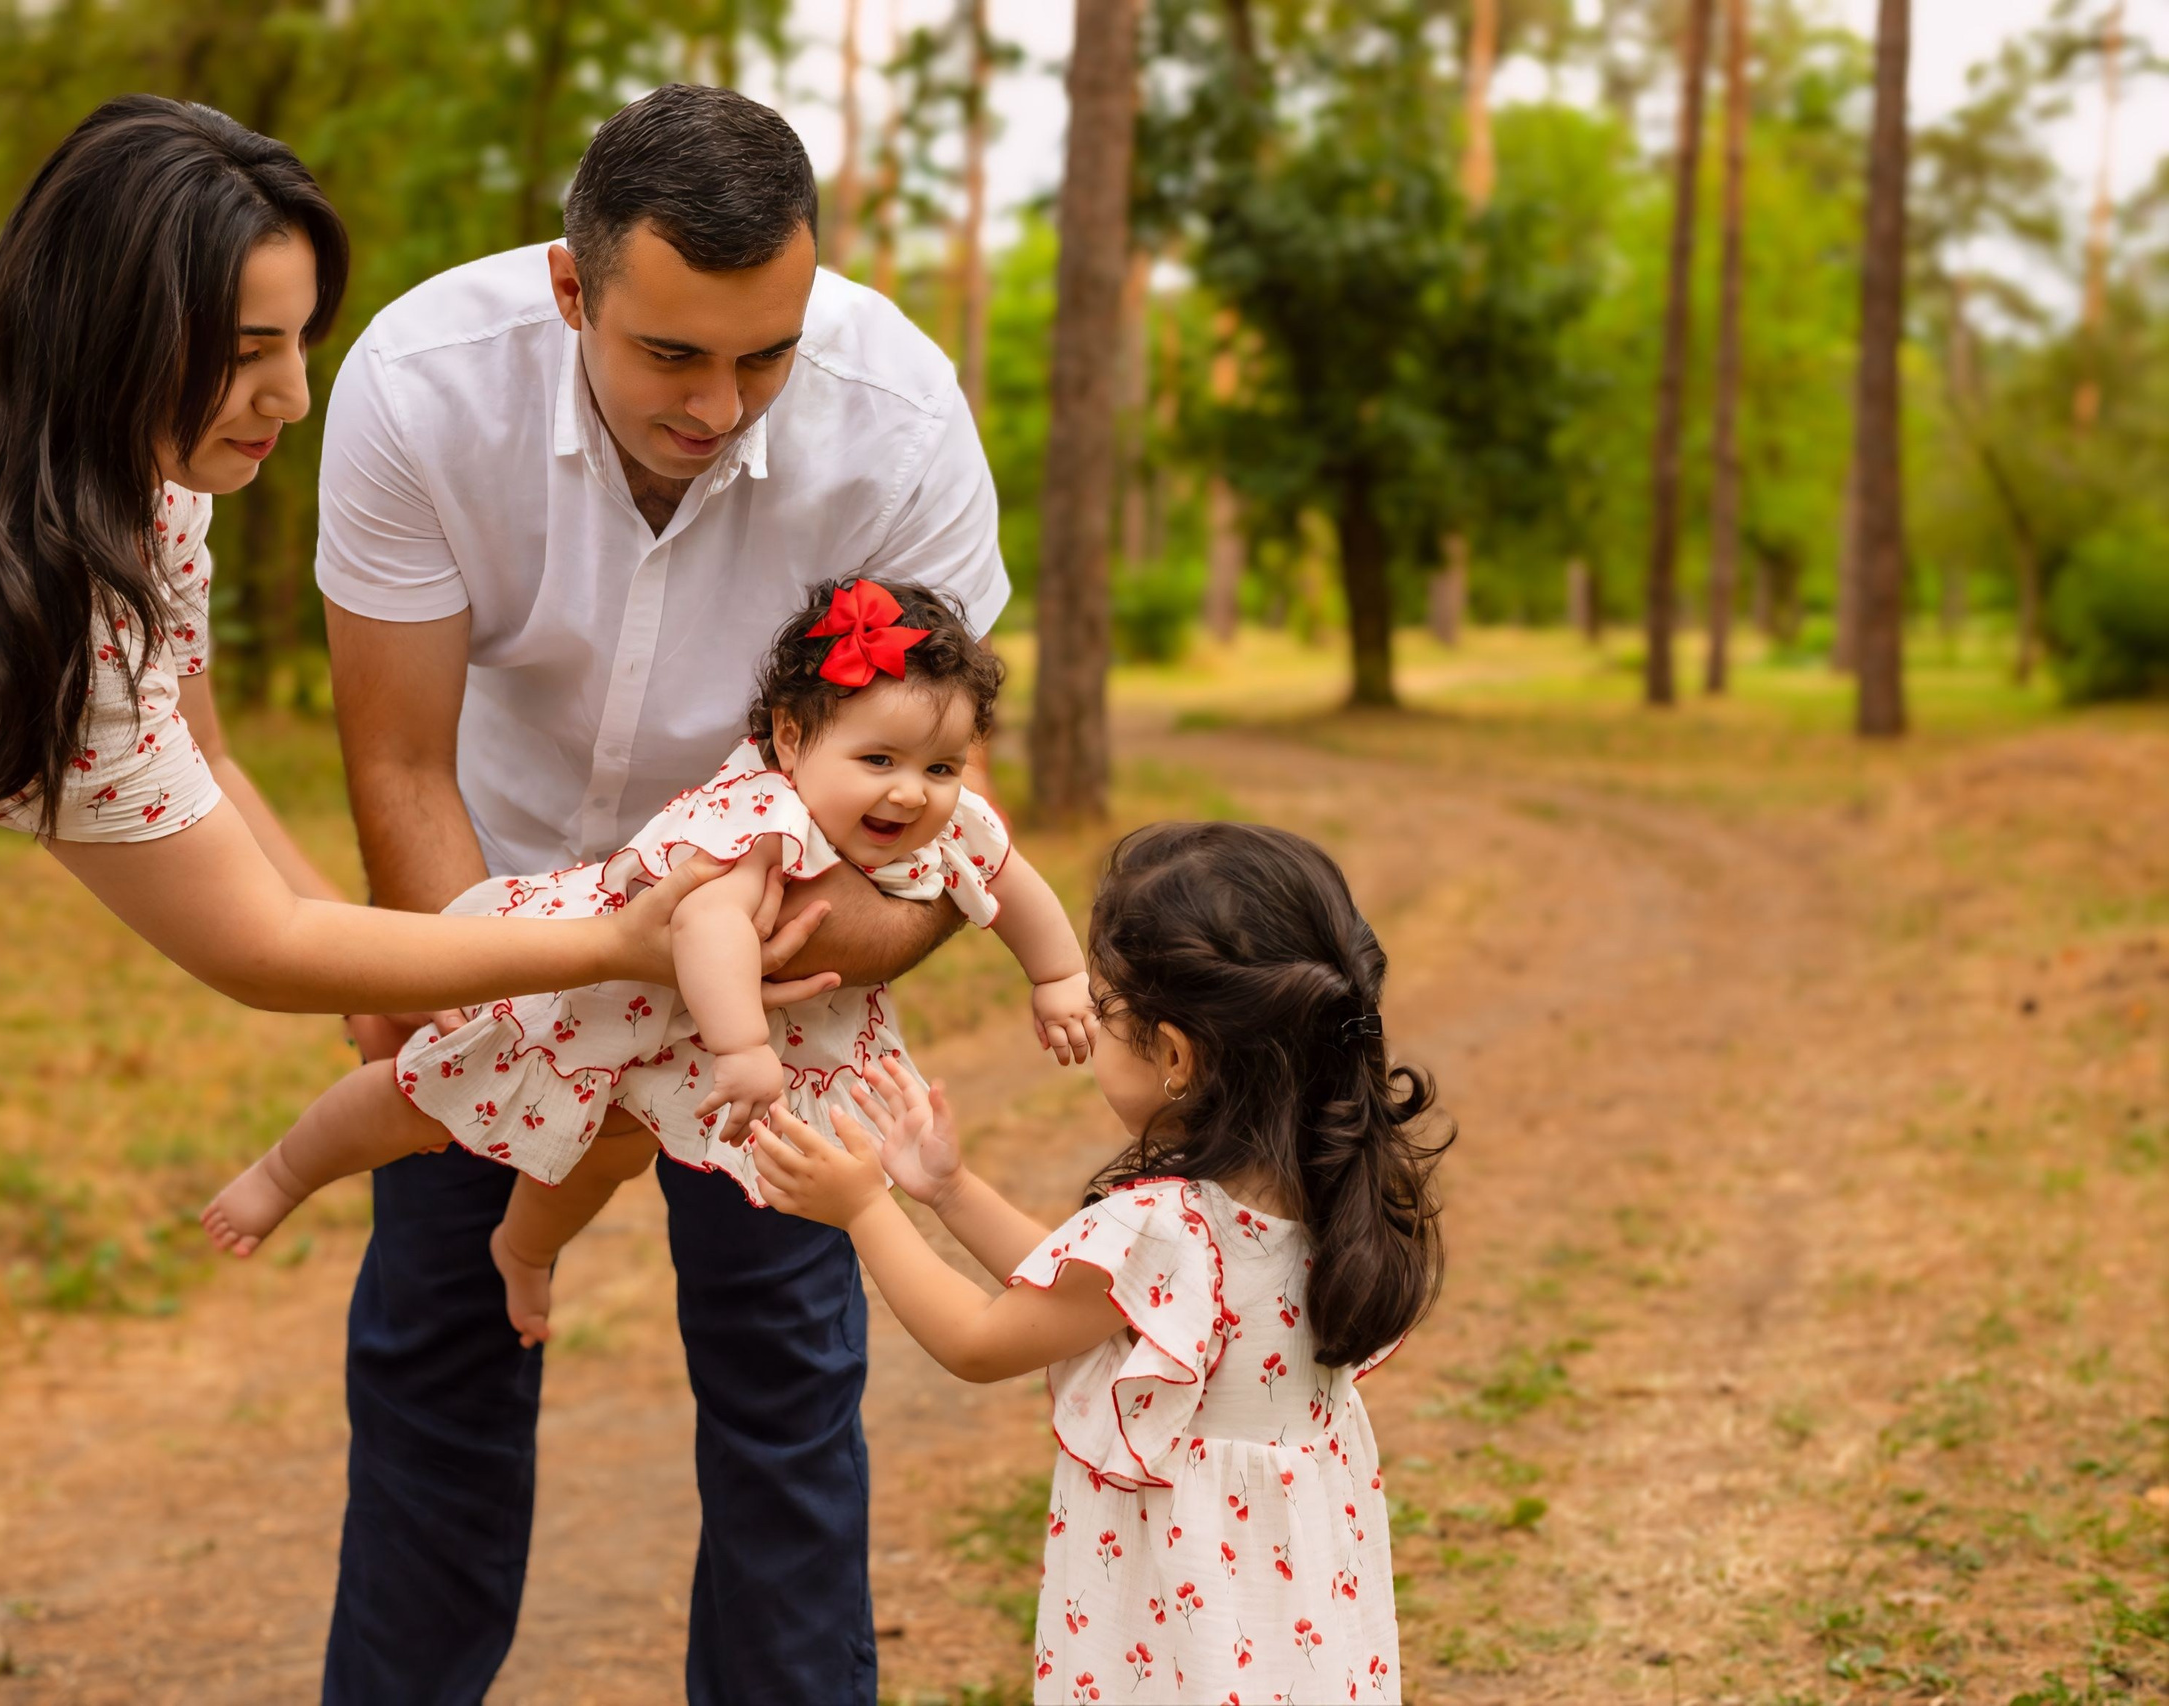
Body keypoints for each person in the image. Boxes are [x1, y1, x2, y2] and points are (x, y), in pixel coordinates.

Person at [0, 95, 818, 1705]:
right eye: (246, 351)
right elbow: (251, 941)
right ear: (113, 330)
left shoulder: (107, 464)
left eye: (300, 339)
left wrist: (398, 982)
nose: (292, 395)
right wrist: (612, 937)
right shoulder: (22, 579)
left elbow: (208, 759)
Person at [313, 84, 1007, 1703]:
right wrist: (500, 1006)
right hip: (498, 909)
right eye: (673, 355)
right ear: (574, 288)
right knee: (437, 1360)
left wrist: (754, 989)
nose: (721, 406)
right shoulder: (420, 382)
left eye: (766, 357)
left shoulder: (902, 420)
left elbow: (948, 812)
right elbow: (400, 762)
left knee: (786, 1382)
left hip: (776, 953)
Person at [204, 578, 1097, 1348]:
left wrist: (1056, 976)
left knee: (601, 1157)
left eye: (941, 767)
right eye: (879, 759)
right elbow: (705, 924)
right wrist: (744, 1048)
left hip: (676, 1035)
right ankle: (283, 1172)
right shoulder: (761, 819)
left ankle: (523, 1251)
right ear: (791, 741)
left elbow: (1005, 875)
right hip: (594, 991)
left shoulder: (945, 816)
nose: (911, 791)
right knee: (423, 1094)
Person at [754, 822, 1452, 1705]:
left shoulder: (1168, 1226)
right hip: (1288, 1597)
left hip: (1184, 1606)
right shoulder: (1330, 1182)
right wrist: (950, 1191)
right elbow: (1093, 1298)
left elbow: (979, 1342)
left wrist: (864, 1209)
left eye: (1107, 1005)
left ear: (1175, 1055)